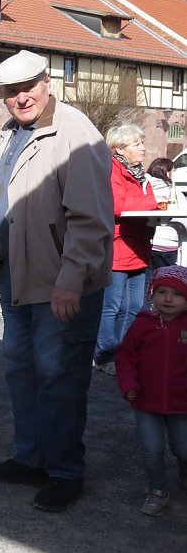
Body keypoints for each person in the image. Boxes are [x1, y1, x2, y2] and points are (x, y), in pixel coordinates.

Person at [0, 50, 114, 512]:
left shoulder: (76, 133)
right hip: (19, 275)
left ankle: (64, 472)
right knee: (22, 371)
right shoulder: (12, 131)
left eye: (27, 87)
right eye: (10, 91)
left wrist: (70, 279)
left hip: (61, 279)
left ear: (47, 82)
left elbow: (91, 219)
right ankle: (32, 456)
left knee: (60, 377)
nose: (20, 97)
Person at [116, 265, 187, 517]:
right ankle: (157, 489)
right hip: (146, 401)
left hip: (182, 405)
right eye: (162, 292)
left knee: (183, 448)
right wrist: (129, 384)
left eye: (177, 294)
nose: (168, 299)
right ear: (152, 294)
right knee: (152, 449)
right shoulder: (142, 324)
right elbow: (125, 357)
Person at [92, 123, 157, 375]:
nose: (143, 148)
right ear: (119, 148)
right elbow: (118, 204)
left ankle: (125, 352)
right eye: (137, 143)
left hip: (139, 248)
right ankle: (105, 355)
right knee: (112, 307)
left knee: (136, 307)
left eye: (142, 142)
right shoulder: (112, 169)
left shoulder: (140, 174)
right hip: (118, 249)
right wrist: (152, 202)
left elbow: (143, 204)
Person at [145, 157, 185, 271]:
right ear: (166, 172)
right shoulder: (173, 192)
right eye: (173, 171)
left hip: (148, 242)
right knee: (165, 281)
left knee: (148, 283)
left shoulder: (145, 188)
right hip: (168, 243)